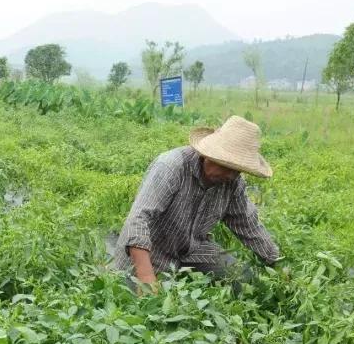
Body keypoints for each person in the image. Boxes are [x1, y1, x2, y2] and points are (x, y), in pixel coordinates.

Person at [113, 115, 280, 290]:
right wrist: (147, 279)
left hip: (194, 250)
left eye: (238, 170)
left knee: (243, 278)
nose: (231, 176)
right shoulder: (171, 167)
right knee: (152, 305)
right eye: (227, 167)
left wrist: (276, 261)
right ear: (208, 155)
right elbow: (138, 220)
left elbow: (247, 224)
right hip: (152, 253)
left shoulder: (232, 182)